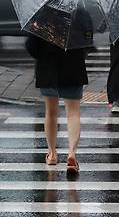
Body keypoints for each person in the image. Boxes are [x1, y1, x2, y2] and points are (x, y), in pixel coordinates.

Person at [25, 32, 89, 175]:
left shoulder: (43, 15)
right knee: (73, 113)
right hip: (73, 66)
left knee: (51, 113)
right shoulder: (80, 11)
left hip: (48, 68)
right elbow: (87, 39)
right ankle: (72, 154)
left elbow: (31, 45)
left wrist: (42, 55)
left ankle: (52, 154)